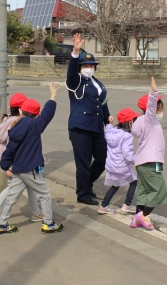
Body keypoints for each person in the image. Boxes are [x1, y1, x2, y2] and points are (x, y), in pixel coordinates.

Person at [0, 83, 64, 235]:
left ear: (20, 111)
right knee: (44, 193)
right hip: (30, 168)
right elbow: (48, 114)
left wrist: (5, 166)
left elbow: (10, 150)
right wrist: (52, 96)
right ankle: (48, 223)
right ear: (36, 114)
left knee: (12, 197)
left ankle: (2, 224)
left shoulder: (14, 126)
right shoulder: (35, 125)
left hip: (17, 168)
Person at [65, 33, 111, 205]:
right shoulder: (76, 82)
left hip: (97, 128)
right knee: (83, 164)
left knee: (103, 159)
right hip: (81, 128)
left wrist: (108, 120)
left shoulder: (97, 83)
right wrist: (75, 52)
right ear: (80, 67)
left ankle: (87, 184)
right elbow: (70, 73)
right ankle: (83, 194)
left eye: (92, 65)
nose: (89, 67)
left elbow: (103, 104)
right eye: (86, 65)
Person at [0, 93, 42, 223]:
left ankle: (36, 212)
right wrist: (10, 166)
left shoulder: (7, 121)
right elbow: (14, 147)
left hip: (11, 162)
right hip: (16, 164)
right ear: (21, 109)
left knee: (30, 186)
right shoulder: (17, 123)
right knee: (12, 189)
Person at [131, 77, 167, 230]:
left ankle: (137, 218)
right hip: (151, 162)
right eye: (160, 107)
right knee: (160, 191)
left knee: (143, 191)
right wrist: (153, 92)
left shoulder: (141, 121)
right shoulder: (149, 119)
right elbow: (151, 106)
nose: (161, 110)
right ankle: (143, 215)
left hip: (142, 162)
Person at [97, 108, 139, 215]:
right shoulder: (127, 136)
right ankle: (126, 205)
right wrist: (136, 160)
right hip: (122, 166)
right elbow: (127, 153)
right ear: (130, 123)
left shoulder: (112, 132)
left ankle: (104, 205)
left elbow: (107, 131)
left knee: (115, 186)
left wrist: (109, 124)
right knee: (134, 183)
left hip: (112, 165)